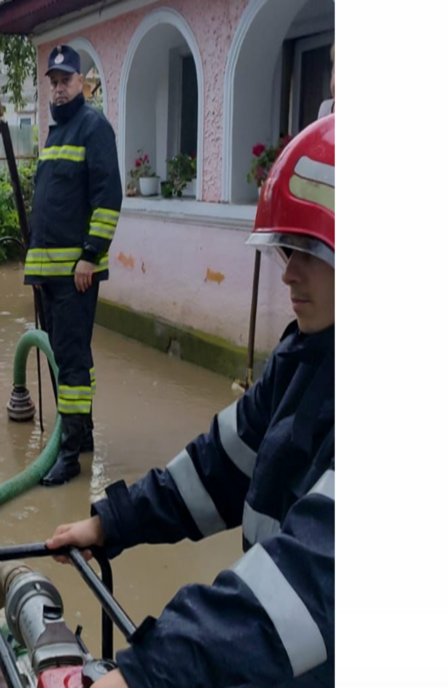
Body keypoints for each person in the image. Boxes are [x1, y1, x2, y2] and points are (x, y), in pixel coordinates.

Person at [47, 115, 336, 687]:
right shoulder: (306, 356)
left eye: (308, 250)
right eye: (285, 250)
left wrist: (147, 674)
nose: (289, 275)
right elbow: (218, 469)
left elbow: (308, 581)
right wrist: (113, 524)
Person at [27, 44, 123, 487]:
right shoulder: (54, 134)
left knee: (71, 362)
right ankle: (80, 435)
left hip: (75, 275)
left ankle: (69, 457)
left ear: (81, 83)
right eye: (53, 82)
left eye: (66, 81)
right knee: (69, 358)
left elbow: (108, 199)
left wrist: (90, 256)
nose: (59, 89)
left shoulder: (93, 127)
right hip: (50, 274)